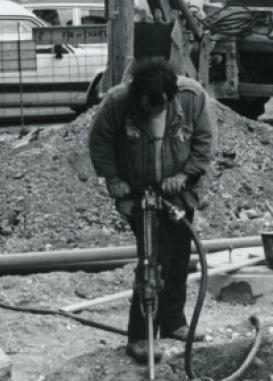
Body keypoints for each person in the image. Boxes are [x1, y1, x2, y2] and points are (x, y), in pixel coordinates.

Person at [87, 57, 215, 364]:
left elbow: (203, 144)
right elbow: (100, 141)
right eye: (147, 109)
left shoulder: (192, 98)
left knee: (180, 254)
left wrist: (183, 177)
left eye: (159, 108)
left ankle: (173, 321)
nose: (153, 114)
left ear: (171, 98)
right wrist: (114, 179)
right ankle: (141, 336)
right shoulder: (119, 102)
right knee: (154, 259)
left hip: (179, 193)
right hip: (138, 193)